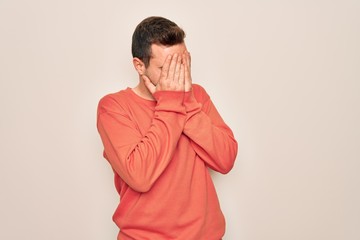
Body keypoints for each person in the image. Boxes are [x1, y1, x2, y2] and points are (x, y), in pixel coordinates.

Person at [96, 16, 238, 240]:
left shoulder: (196, 96)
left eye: (181, 65)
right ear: (139, 66)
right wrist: (171, 103)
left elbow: (226, 159)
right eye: (166, 68)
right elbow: (140, 176)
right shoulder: (114, 107)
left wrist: (187, 102)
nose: (177, 76)